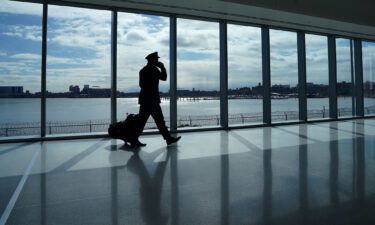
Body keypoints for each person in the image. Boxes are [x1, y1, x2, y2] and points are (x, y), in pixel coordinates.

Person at [135, 52, 181, 147]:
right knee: (159, 121)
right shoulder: (154, 70)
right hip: (152, 100)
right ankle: (168, 139)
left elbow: (141, 85)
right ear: (153, 60)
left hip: (145, 99)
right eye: (156, 59)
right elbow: (164, 78)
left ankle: (134, 139)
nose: (157, 61)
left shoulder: (143, 70)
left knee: (143, 121)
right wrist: (163, 68)